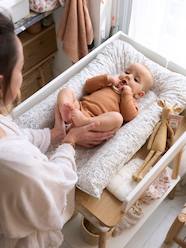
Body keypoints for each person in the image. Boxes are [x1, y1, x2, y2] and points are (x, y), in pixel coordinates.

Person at [0, 12, 114, 247]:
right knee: (66, 94)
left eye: (135, 80)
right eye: (21, 69)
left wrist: (53, 135)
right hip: (80, 112)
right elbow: (52, 192)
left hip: (90, 116)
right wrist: (69, 142)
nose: (20, 78)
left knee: (115, 117)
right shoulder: (18, 166)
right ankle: (82, 120)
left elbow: (15, 136)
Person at [57, 63, 154, 132]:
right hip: (79, 108)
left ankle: (83, 122)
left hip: (94, 122)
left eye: (136, 79)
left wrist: (126, 94)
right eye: (127, 72)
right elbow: (88, 87)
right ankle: (65, 112)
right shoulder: (109, 84)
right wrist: (106, 79)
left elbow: (129, 116)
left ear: (139, 94)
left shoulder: (130, 101)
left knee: (117, 118)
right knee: (66, 91)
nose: (129, 76)